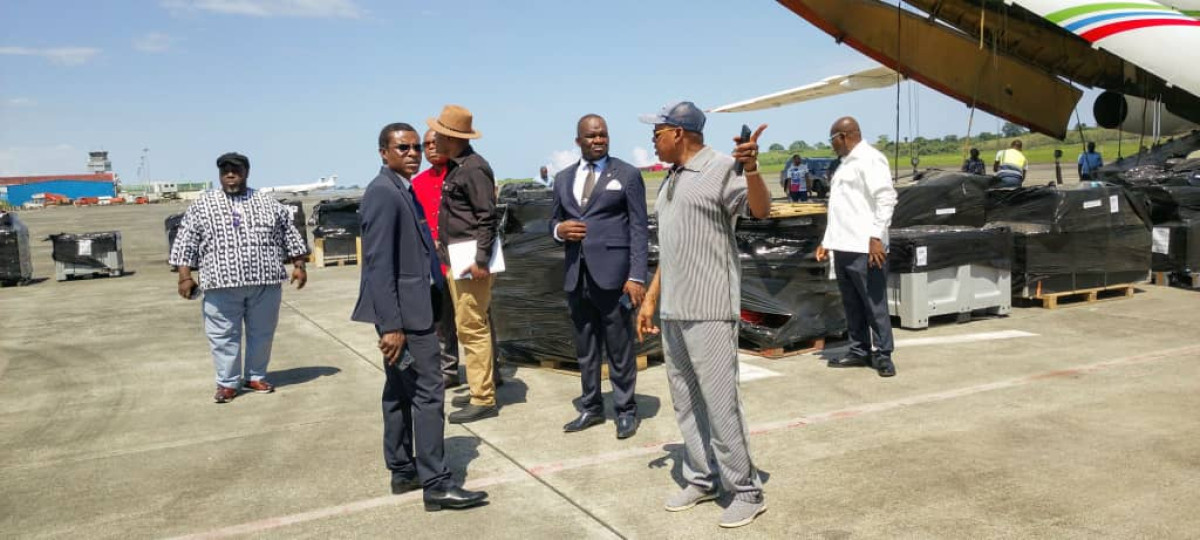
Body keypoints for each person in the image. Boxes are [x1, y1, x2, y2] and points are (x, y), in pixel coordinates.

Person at [635, 101, 772, 529]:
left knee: (720, 402)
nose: (652, 140)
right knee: (686, 401)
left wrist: (752, 169)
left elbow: (760, 210)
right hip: (674, 310)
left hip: (710, 308)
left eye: (657, 132)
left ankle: (746, 490)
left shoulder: (721, 167)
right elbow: (672, 249)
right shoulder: (672, 178)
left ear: (678, 132)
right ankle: (702, 477)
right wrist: (651, 298)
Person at [351, 122, 488, 511]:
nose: (412, 154)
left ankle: (402, 470)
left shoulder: (400, 188)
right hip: (406, 318)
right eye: (403, 148)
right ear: (384, 153)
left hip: (412, 308)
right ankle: (436, 483)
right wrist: (392, 326)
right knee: (429, 392)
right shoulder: (383, 193)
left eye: (415, 147)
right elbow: (378, 265)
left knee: (399, 391)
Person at [169, 152, 309, 404]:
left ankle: (255, 376)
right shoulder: (203, 205)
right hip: (220, 284)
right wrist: (184, 276)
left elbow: (290, 233)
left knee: (262, 332)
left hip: (265, 282)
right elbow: (185, 240)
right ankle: (227, 382)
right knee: (222, 335)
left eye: (236, 170)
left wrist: (299, 265)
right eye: (225, 171)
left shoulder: (267, 203)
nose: (231, 175)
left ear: (247, 172)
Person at [549, 114, 649, 439]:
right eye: (591, 136)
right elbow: (553, 222)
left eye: (603, 135)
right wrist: (560, 230)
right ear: (578, 141)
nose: (598, 140)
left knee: (619, 347)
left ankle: (625, 410)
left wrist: (636, 276)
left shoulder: (627, 174)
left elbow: (639, 228)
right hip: (577, 275)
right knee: (586, 348)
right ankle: (591, 408)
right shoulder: (563, 178)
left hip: (615, 277)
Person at [428, 105, 501, 424]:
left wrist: (481, 260)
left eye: (439, 135)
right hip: (458, 260)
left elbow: (487, 216)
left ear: (452, 137)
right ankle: (477, 388)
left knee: (472, 326)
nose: (434, 141)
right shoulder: (458, 167)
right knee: (465, 325)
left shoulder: (473, 168)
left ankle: (483, 398)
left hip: (471, 263)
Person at [814, 117, 898, 377]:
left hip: (865, 248)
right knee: (852, 304)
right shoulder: (845, 164)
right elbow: (841, 208)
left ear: (843, 136)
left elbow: (886, 198)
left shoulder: (870, 159)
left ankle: (883, 355)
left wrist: (876, 237)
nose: (832, 145)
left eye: (832, 140)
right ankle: (859, 350)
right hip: (843, 246)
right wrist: (827, 242)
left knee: (874, 304)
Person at [412, 128, 461, 389]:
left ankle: (490, 370)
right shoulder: (417, 183)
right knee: (441, 321)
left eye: (435, 142)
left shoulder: (462, 174)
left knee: (475, 320)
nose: (431, 147)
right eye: (426, 144)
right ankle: (448, 369)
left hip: (464, 259)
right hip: (434, 264)